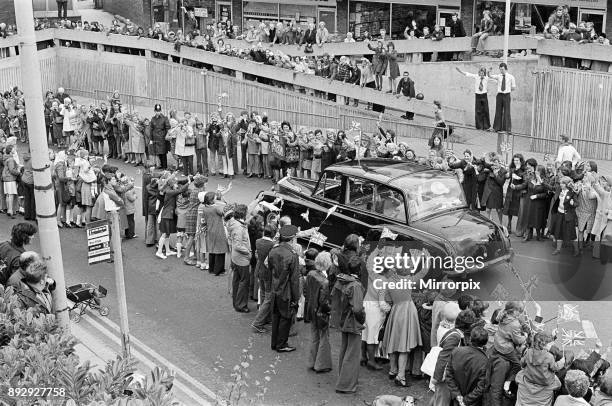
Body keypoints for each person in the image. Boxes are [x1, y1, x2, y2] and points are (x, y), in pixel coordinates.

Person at [331, 257, 366, 394]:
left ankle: (343, 379)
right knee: (352, 354)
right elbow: (357, 309)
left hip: (342, 319)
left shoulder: (341, 280)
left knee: (344, 351)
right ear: (359, 270)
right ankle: (346, 385)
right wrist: (362, 320)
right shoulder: (355, 285)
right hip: (352, 322)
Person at [268, 224, 301, 352]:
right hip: (286, 291)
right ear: (292, 239)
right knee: (286, 318)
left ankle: (274, 342)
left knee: (276, 316)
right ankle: (281, 344)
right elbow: (294, 280)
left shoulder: (273, 250)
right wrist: (296, 297)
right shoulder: (292, 255)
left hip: (275, 287)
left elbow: (270, 268)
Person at [446, 326, 490, 406]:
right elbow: (481, 387)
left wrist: (457, 395)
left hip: (456, 400)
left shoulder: (456, 351)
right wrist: (465, 401)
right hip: (472, 402)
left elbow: (449, 374)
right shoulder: (485, 361)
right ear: (486, 342)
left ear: (470, 338)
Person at [305, 251, 332, 373]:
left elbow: (306, 291)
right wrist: (331, 310)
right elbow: (324, 302)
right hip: (321, 313)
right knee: (324, 338)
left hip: (311, 310)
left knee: (314, 337)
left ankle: (312, 362)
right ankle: (321, 364)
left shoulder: (310, 274)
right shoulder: (325, 282)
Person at [251, 224, 276, 333]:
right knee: (269, 297)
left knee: (262, 294)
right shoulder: (272, 244)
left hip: (259, 270)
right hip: (268, 273)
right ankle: (258, 322)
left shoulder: (258, 241)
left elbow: (257, 255)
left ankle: (264, 317)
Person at [228, 204, 252, 313]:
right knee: (244, 282)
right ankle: (241, 305)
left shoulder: (234, 222)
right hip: (242, 258)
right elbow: (238, 245)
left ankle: (236, 302)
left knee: (237, 280)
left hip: (235, 257)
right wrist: (248, 252)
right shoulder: (238, 227)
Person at [489, 63, 516, 133]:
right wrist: (489, 71)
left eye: (502, 69)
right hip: (499, 95)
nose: (501, 71)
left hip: (506, 95)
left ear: (506, 69)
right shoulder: (499, 76)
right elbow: (490, 76)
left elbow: (513, 87)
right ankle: (496, 128)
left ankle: (507, 129)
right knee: (498, 111)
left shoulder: (511, 77)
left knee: (507, 112)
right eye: (500, 69)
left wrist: (507, 90)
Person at [148, 104, 170, 169]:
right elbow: (151, 129)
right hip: (155, 137)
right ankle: (161, 165)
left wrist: (166, 135)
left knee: (163, 152)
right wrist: (151, 139)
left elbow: (168, 127)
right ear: (154, 111)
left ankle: (165, 166)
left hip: (162, 137)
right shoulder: (153, 119)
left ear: (161, 111)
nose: (158, 112)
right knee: (158, 152)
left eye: (159, 110)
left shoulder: (164, 118)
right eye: (157, 111)